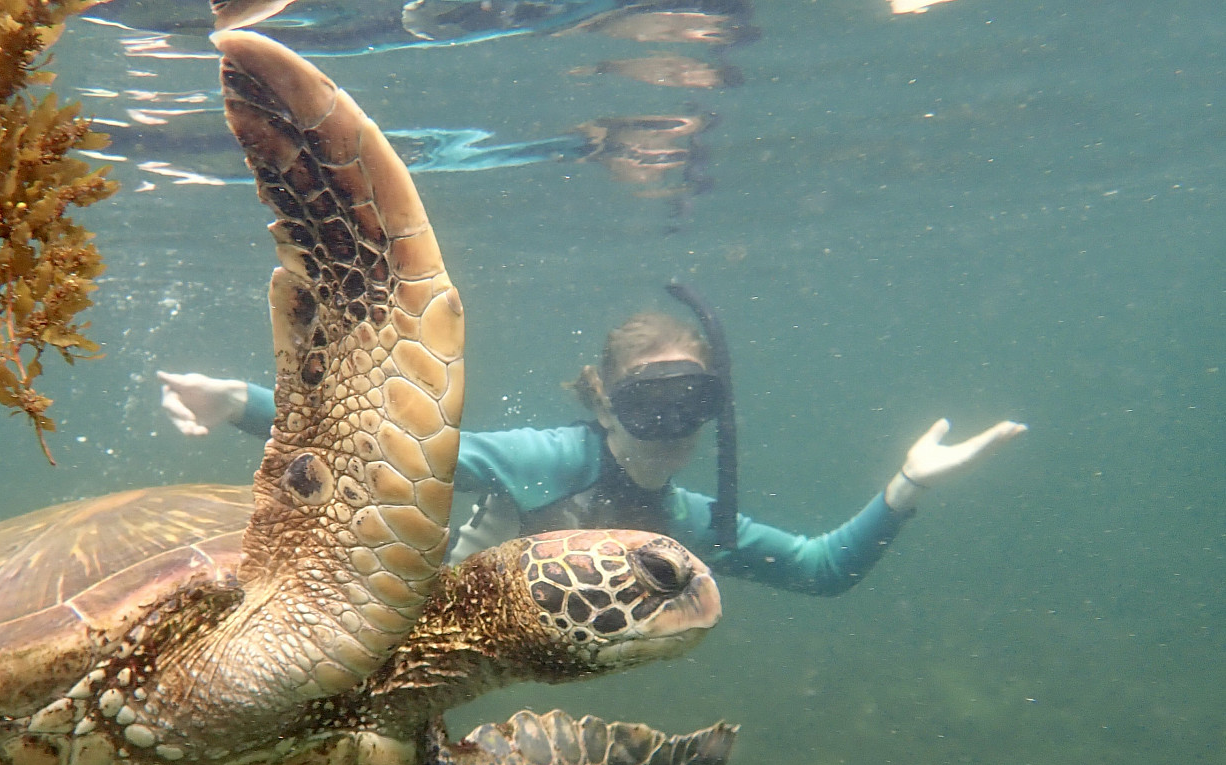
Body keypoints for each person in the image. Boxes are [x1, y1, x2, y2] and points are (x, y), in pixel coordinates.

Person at [157, 310, 1025, 595]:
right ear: (605, 402)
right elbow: (384, 451)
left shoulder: (693, 522)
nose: (675, 424)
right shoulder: (543, 460)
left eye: (696, 401)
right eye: (651, 400)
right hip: (427, 628)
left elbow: (824, 571)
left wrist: (907, 485)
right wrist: (238, 401)